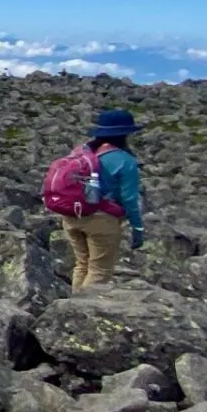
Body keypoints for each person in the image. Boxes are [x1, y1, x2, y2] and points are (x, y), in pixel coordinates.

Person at [55, 110, 146, 291]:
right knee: (99, 271)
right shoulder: (125, 160)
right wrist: (138, 228)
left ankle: (71, 308)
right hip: (101, 220)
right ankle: (83, 313)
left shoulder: (82, 151)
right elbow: (129, 198)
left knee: (82, 264)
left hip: (71, 214)